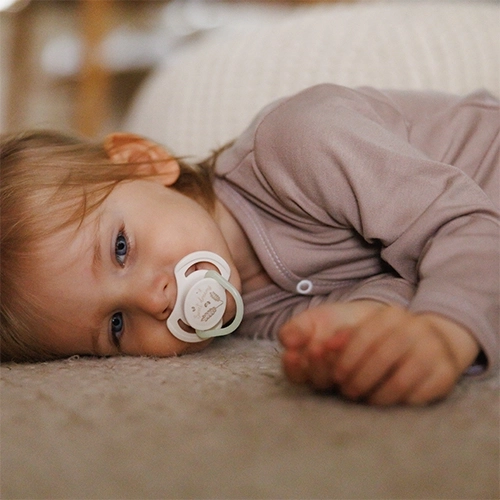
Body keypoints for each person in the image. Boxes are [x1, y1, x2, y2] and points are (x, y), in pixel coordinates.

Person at [1, 84, 498, 406]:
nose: (154, 301)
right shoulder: (247, 314)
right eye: (116, 326)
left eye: (120, 249)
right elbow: (407, 284)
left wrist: (444, 330)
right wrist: (361, 331)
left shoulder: (300, 144)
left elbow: (464, 224)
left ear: (143, 162)